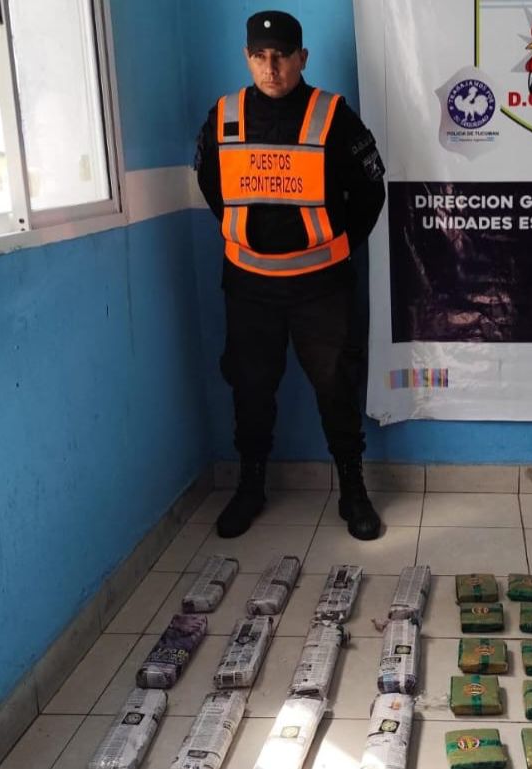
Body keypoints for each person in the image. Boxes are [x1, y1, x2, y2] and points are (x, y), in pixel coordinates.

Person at [195, 10, 386, 540]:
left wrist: (335, 249)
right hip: (249, 288)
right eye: (260, 56)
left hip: (321, 288)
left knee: (336, 389)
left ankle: (353, 491)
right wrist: (250, 237)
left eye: (281, 56)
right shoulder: (224, 116)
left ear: (302, 57)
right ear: (247, 57)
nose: (271, 67)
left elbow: (370, 191)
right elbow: (212, 186)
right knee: (250, 390)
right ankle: (250, 486)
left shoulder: (333, 115)